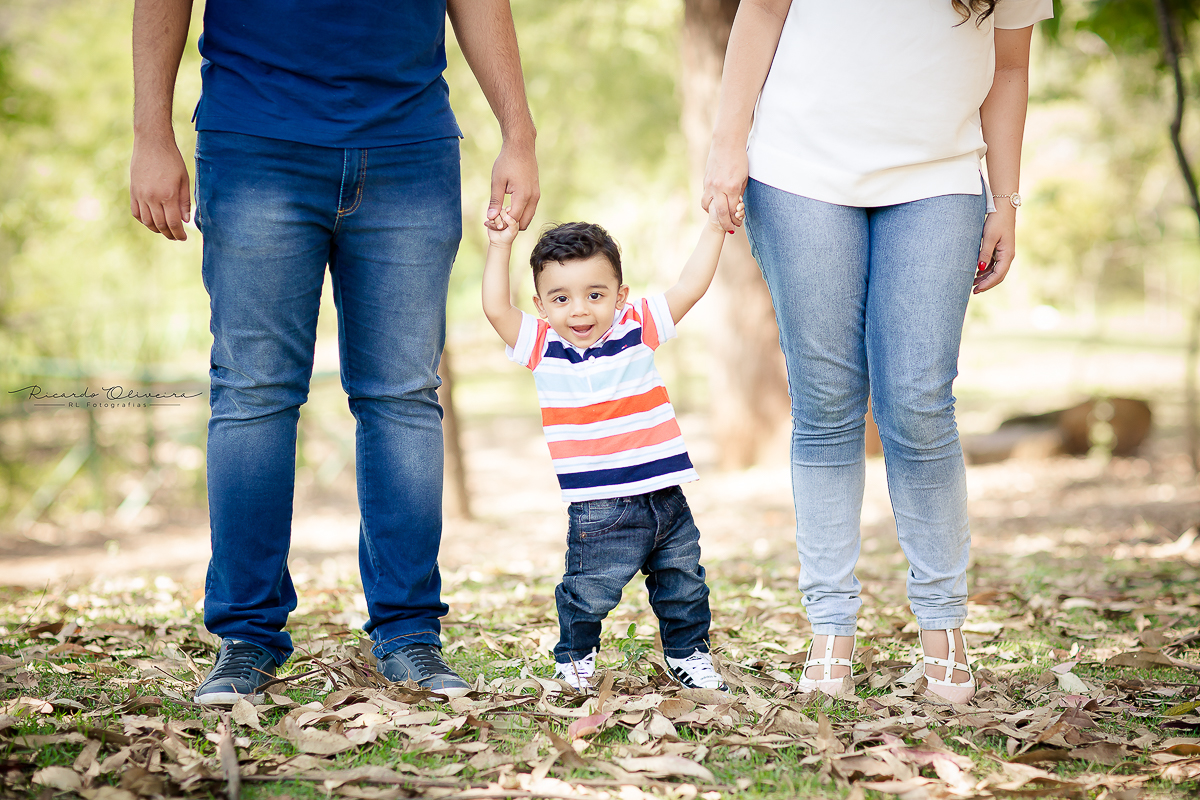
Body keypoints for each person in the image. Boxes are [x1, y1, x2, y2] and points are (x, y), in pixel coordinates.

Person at [129, 0, 539, 704]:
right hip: (255, 139)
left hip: (409, 145)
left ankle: (410, 635)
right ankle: (247, 639)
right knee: (253, 393)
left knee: (404, 396)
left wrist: (519, 133)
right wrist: (150, 134)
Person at [702, 0, 1052, 702]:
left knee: (919, 404)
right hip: (800, 171)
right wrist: (727, 141)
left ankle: (944, 631)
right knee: (827, 405)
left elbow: (1010, 67)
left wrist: (1007, 199)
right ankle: (831, 632)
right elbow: (762, 11)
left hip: (940, 178)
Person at [480, 203, 743, 691]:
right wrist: (500, 245)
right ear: (540, 305)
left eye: (594, 294)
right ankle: (575, 658)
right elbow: (496, 308)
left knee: (684, 584)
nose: (579, 310)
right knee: (588, 591)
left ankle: (689, 656)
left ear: (620, 296)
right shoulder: (541, 346)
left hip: (666, 493)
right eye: (560, 298)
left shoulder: (636, 327)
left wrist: (713, 226)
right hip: (598, 507)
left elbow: (690, 286)